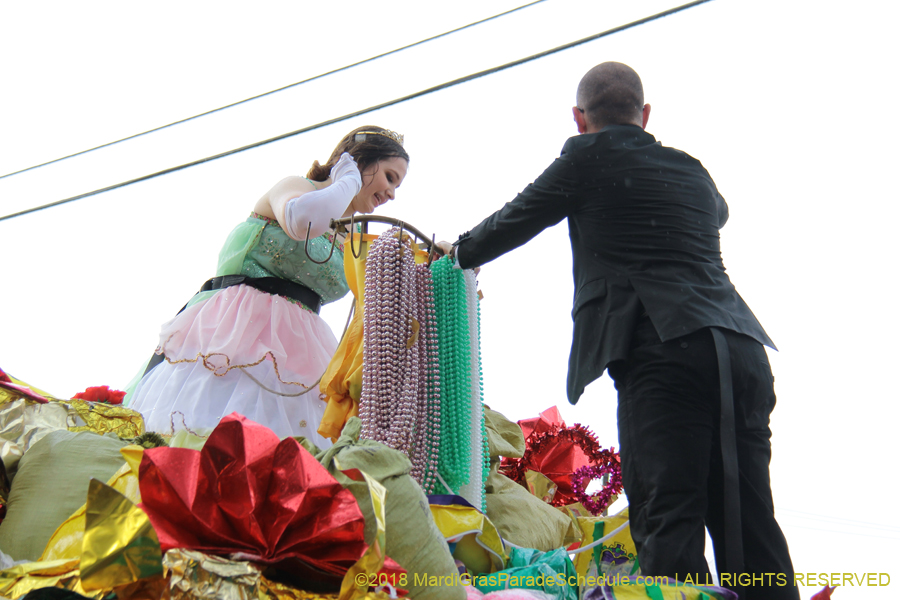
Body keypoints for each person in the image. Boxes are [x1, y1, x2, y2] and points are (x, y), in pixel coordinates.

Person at [442, 63, 797, 599]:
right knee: (750, 520)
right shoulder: (691, 170)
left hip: (664, 349)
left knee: (667, 516)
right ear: (645, 114)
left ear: (579, 119)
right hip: (741, 349)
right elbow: (717, 213)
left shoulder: (584, 158)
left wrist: (456, 253)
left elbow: (516, 219)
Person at [127, 126, 408, 447]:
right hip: (235, 330)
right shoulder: (297, 188)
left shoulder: (353, 238)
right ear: (359, 162)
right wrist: (348, 181)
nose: (392, 194)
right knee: (210, 435)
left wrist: (437, 259)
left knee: (284, 449)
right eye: (389, 177)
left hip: (300, 349)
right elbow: (303, 222)